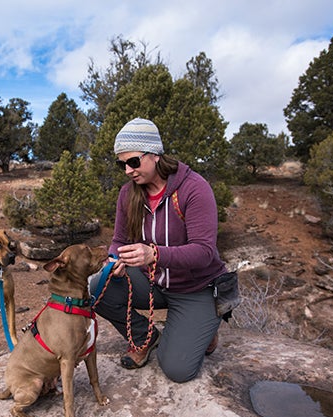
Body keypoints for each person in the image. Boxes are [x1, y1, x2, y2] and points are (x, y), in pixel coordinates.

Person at [89, 117, 229, 383]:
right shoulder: (127, 194)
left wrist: (154, 254)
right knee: (96, 288)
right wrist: (114, 260)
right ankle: (144, 336)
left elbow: (204, 252)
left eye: (133, 162)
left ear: (154, 155)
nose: (128, 170)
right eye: (122, 164)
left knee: (177, 370)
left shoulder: (194, 189)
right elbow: (118, 240)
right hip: (154, 282)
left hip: (195, 288)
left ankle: (205, 325)